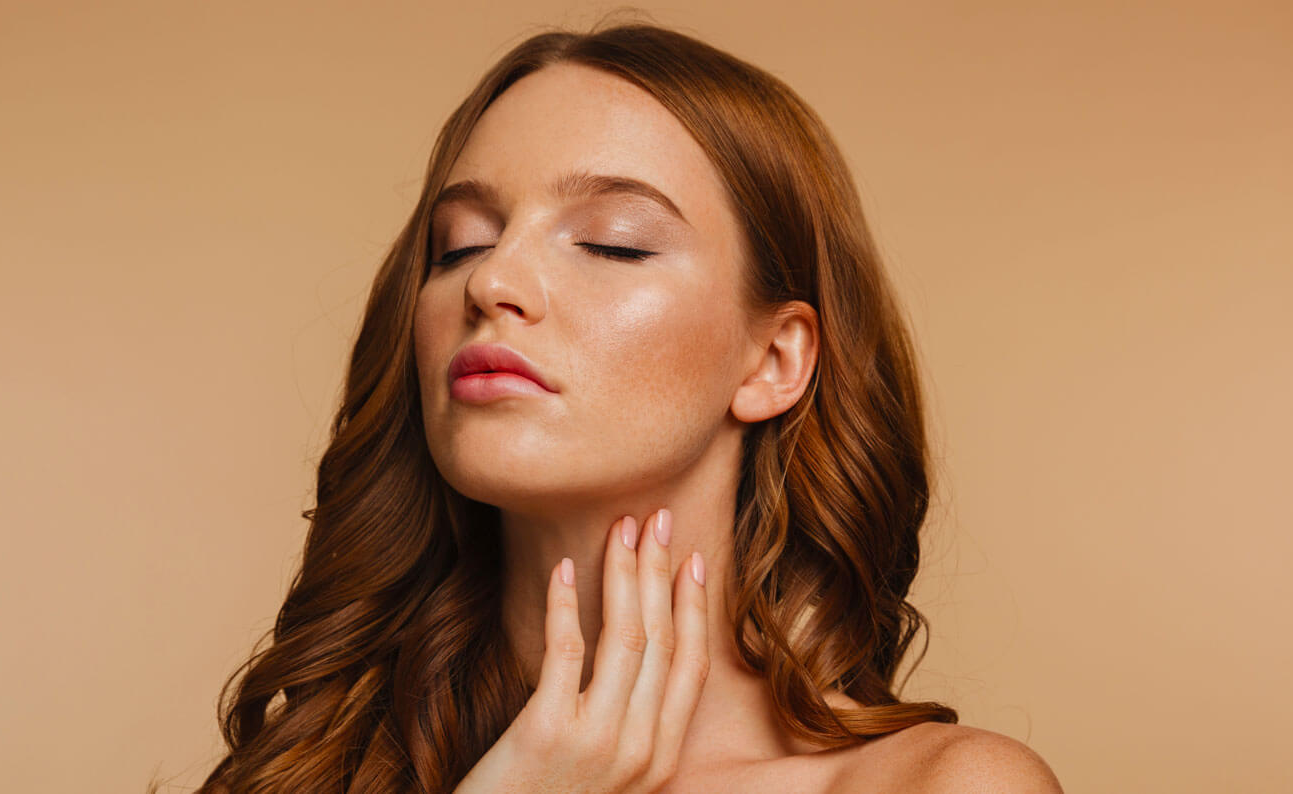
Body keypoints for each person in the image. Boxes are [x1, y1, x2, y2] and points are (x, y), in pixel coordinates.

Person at [191, 19, 1062, 794]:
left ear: (772, 359)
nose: (492, 281)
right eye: (459, 245)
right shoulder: (307, 770)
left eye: (612, 243)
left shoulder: (940, 786)